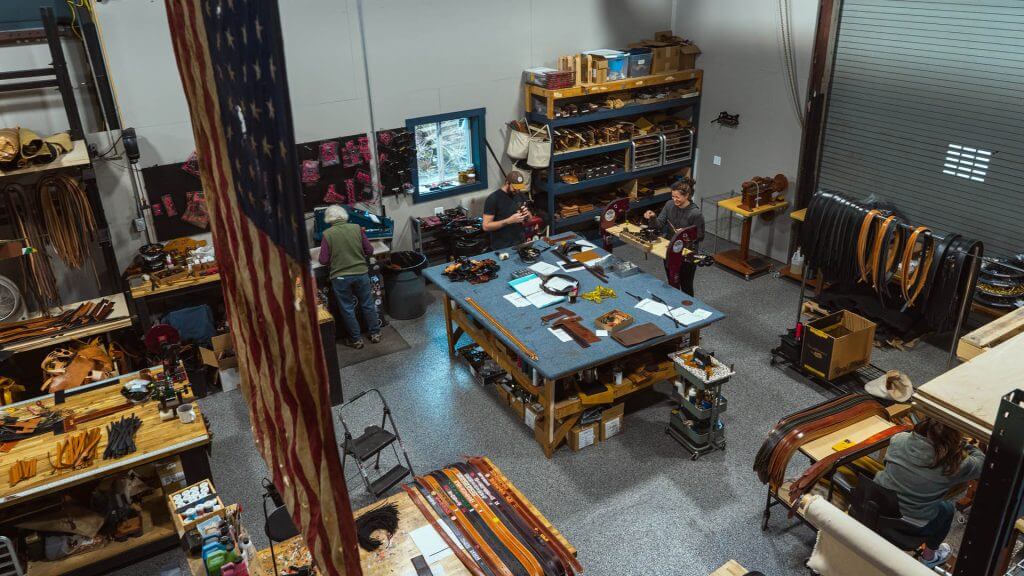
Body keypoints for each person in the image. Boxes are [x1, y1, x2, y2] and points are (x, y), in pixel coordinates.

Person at [873, 419, 985, 568]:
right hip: (911, 527)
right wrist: (964, 444)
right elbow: (982, 462)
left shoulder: (899, 439)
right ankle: (929, 556)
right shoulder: (954, 464)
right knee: (947, 509)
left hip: (877, 507)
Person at [318, 205, 381, 349]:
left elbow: (323, 260)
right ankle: (375, 333)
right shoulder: (357, 228)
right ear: (344, 216)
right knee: (368, 304)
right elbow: (370, 250)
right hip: (361, 273)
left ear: (329, 219)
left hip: (340, 278)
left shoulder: (327, 234)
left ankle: (356, 340)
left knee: (347, 309)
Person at [643, 179, 705, 295]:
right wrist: (653, 217)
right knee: (672, 282)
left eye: (677, 197)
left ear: (687, 195)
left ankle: (688, 305)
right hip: (670, 249)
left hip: (687, 253)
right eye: (673, 196)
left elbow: (700, 236)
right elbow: (659, 225)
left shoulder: (695, 213)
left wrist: (685, 234)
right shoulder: (669, 205)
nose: (674, 199)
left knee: (686, 286)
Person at [482, 171, 531, 250]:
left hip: (520, 243)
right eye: (515, 188)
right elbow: (486, 226)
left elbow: (529, 220)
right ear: (507, 183)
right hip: (502, 246)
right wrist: (508, 221)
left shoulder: (520, 196)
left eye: (519, 188)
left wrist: (527, 214)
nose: (517, 191)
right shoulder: (493, 199)